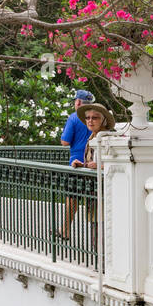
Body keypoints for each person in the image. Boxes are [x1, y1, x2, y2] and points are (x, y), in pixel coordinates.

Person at [58, 102, 114, 241]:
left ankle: (65, 229)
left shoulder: (107, 138)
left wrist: (99, 166)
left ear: (103, 120)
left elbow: (118, 163)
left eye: (94, 118)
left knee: (100, 226)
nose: (90, 120)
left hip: (104, 190)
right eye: (88, 118)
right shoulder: (93, 137)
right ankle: (65, 229)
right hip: (94, 188)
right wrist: (83, 164)